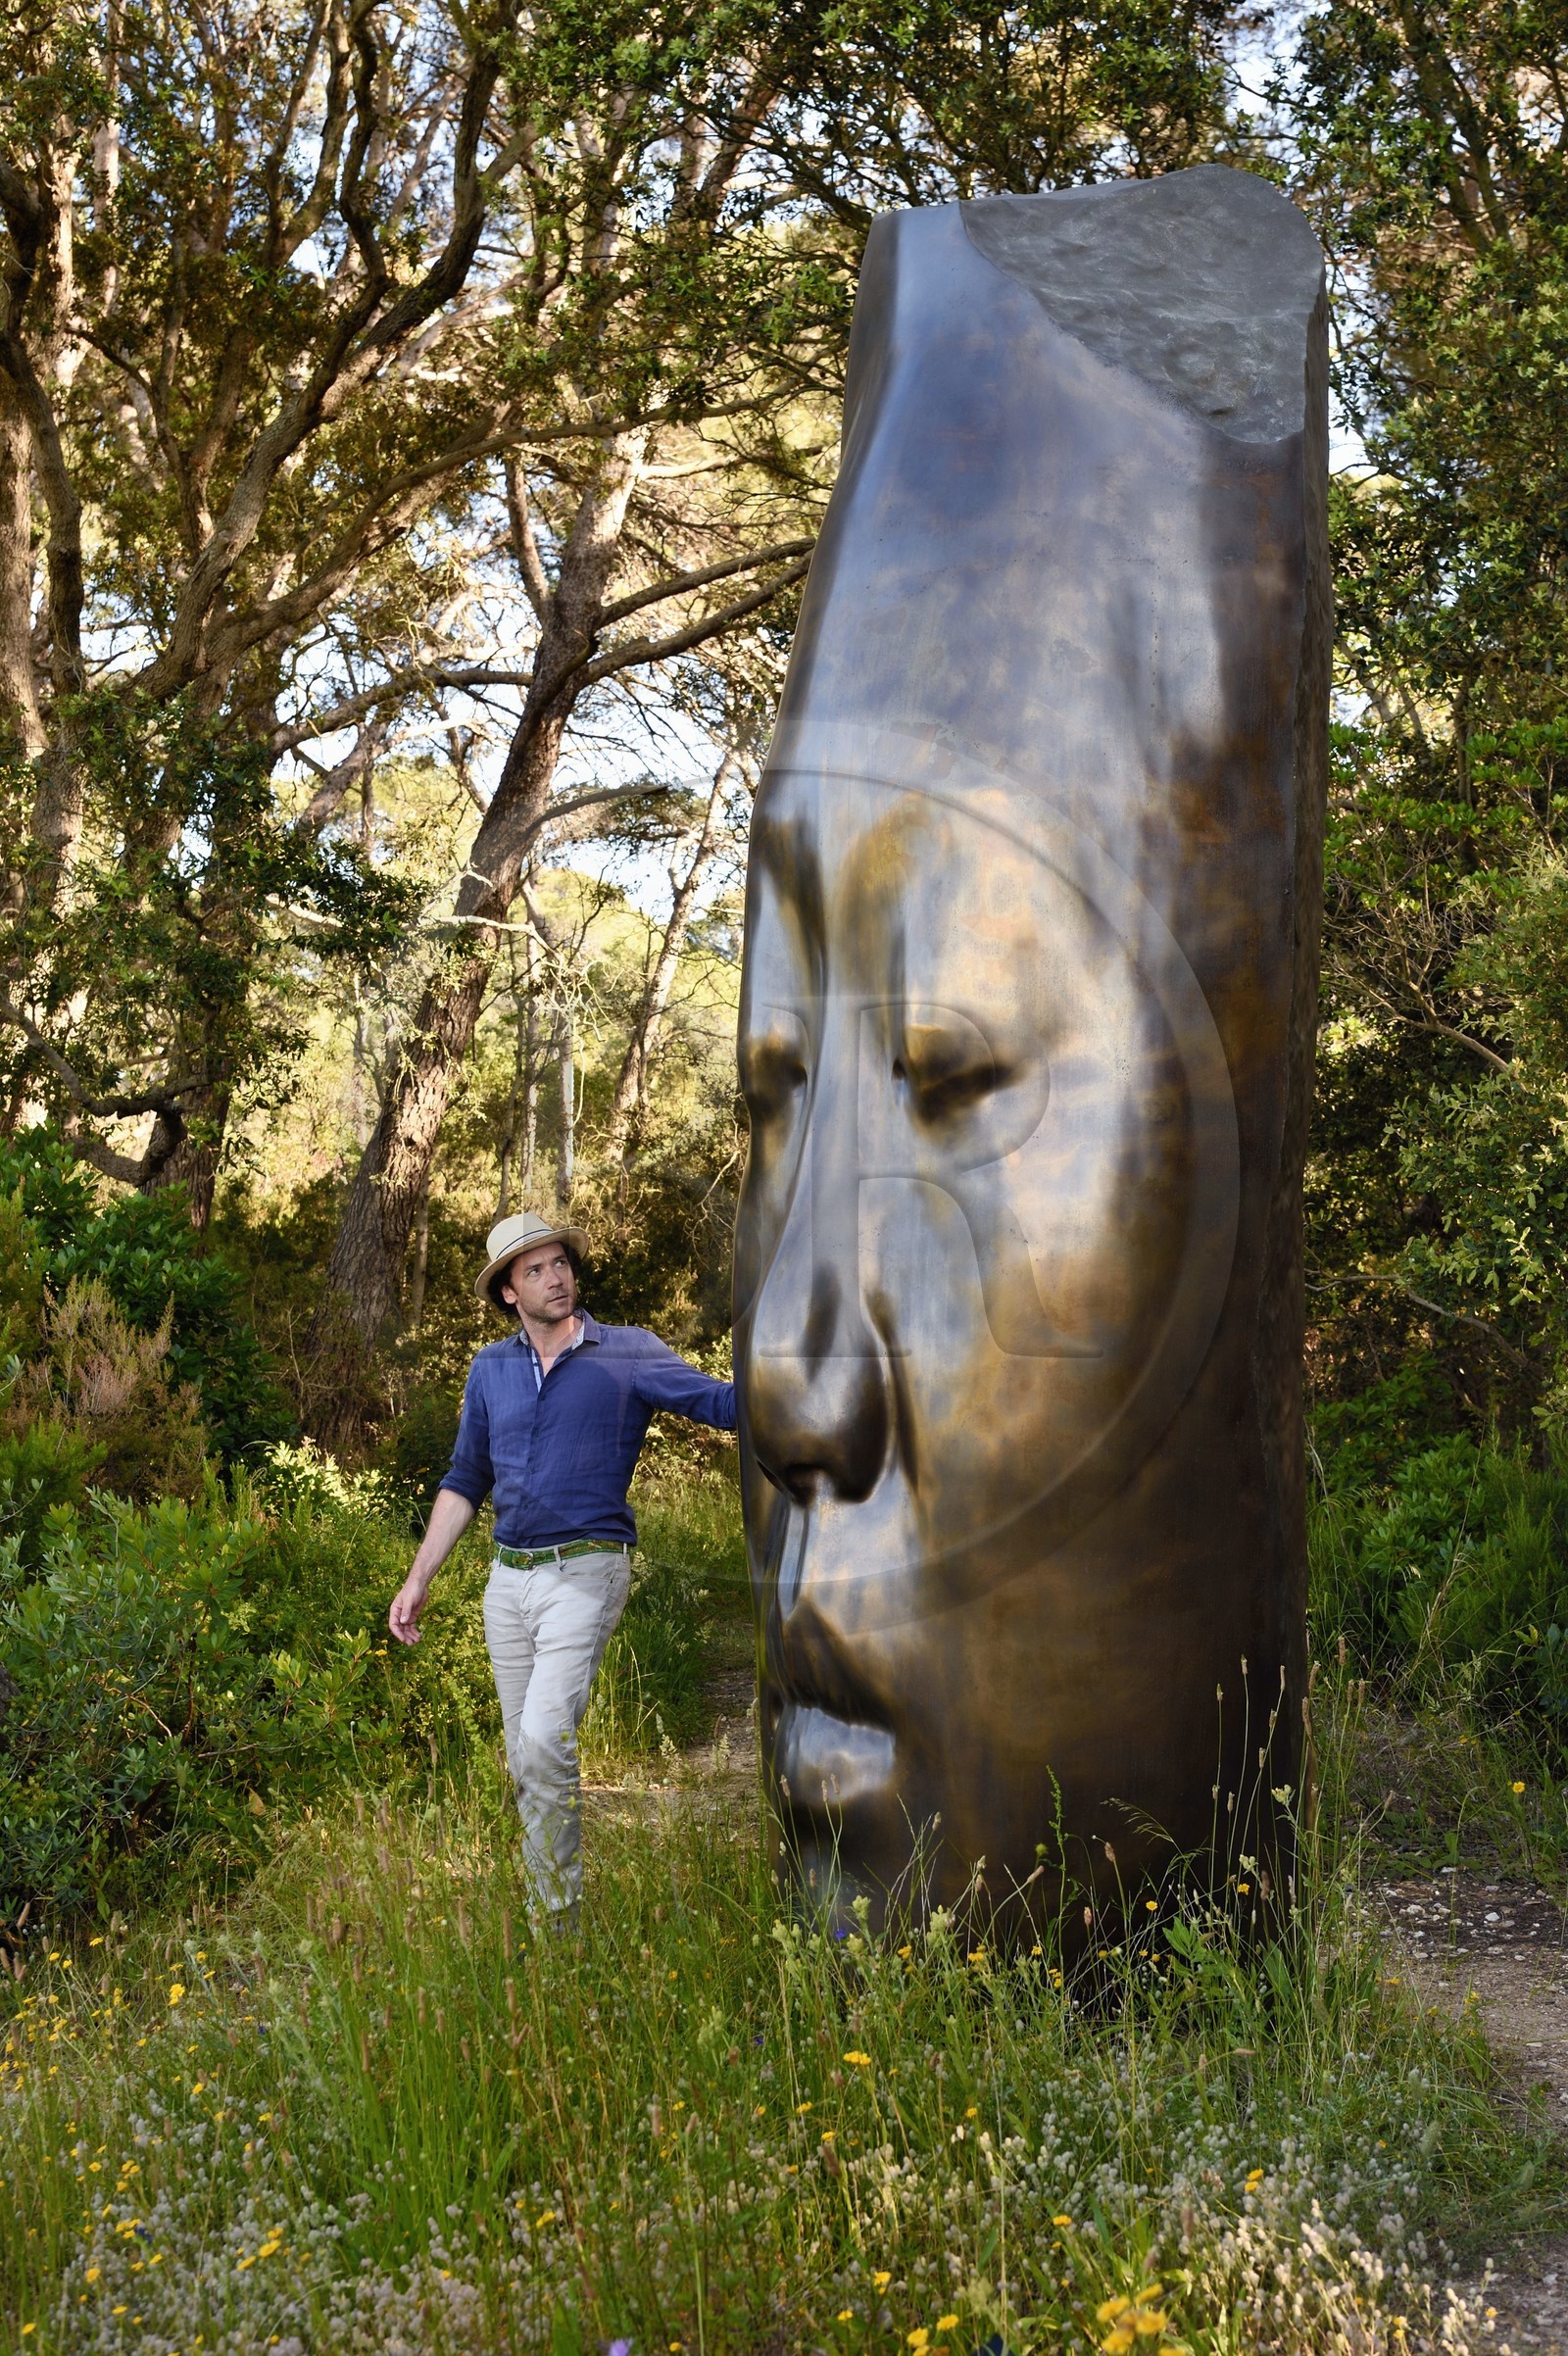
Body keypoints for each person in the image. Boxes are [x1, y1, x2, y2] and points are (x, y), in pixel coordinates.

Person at [388, 1210, 736, 1924]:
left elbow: (723, 1404)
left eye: (561, 1264)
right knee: (526, 1762)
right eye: (536, 1269)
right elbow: (464, 1480)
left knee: (546, 1740)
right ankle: (552, 1925)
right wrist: (418, 1577)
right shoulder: (491, 1369)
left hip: (586, 1571)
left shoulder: (628, 1354)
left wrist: (796, 1359)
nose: (556, 1277)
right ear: (509, 1293)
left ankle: (557, 1922)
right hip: (507, 1584)